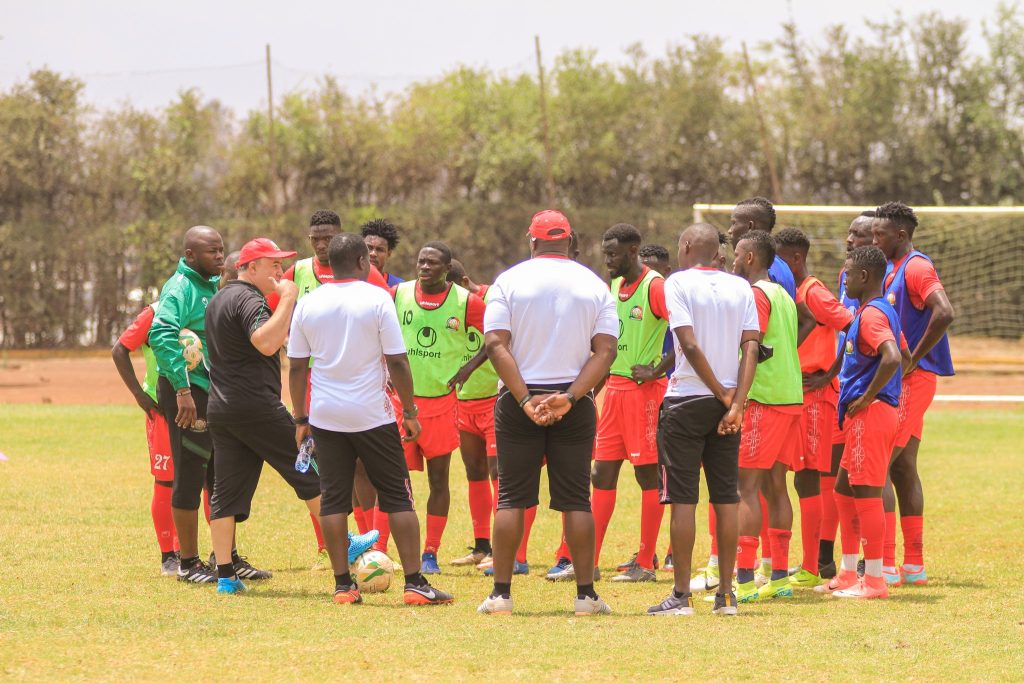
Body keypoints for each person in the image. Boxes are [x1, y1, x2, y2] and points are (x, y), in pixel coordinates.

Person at [288, 233, 454, 606]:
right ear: (363, 262)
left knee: (333, 499)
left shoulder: (309, 302)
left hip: (325, 415)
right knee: (398, 496)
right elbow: (397, 360)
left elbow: (297, 367)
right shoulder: (377, 298)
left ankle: (343, 586)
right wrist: (410, 412)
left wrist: (301, 417)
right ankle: (415, 584)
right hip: (372, 415)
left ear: (329, 262)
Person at [477, 209, 617, 617]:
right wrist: (570, 398)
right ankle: (586, 596)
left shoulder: (509, 281)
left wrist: (524, 400)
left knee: (510, 498)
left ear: (532, 241)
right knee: (577, 500)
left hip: (518, 400)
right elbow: (605, 352)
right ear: (570, 241)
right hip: (574, 402)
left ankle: (501, 596)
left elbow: (495, 345)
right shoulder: (594, 285)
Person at [645, 223, 759, 616]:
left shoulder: (676, 284)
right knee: (726, 498)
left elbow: (688, 344)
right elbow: (751, 348)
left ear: (689, 245)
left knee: (683, 501)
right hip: (727, 407)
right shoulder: (740, 286)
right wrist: (736, 403)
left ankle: (680, 598)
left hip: (687, 400)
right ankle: (726, 596)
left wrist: (720, 392)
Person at [203, 239, 328, 593]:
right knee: (310, 470)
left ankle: (225, 576)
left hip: (222, 409)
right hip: (256, 407)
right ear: (251, 266)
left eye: (281, 265)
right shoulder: (249, 298)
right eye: (273, 264)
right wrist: (287, 298)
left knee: (223, 494)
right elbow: (265, 343)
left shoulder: (219, 300)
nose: (279, 272)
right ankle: (344, 548)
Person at [274, 210, 388, 565]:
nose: (322, 244)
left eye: (328, 237)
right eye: (315, 239)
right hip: (310, 381)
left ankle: (369, 542)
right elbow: (273, 313)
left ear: (340, 237)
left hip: (360, 379)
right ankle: (330, 545)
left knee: (362, 467)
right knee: (316, 464)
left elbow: (387, 322)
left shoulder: (365, 272)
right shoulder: (297, 273)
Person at [816, 246, 906, 599]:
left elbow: (894, 356)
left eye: (849, 274)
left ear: (865, 277)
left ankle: (875, 582)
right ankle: (849, 572)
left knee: (867, 495)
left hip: (869, 415)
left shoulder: (871, 317)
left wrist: (870, 397)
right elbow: (905, 354)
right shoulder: (877, 312)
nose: (845, 279)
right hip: (868, 415)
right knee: (843, 491)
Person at [872, 201, 955, 586]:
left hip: (913, 379)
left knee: (882, 464)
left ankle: (885, 564)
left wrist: (913, 358)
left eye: (880, 234)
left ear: (901, 235)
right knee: (903, 467)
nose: (874, 240)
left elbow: (944, 311)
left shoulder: (917, 266)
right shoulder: (889, 269)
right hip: (901, 380)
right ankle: (914, 565)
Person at [392, 242, 486, 574]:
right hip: (400, 403)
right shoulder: (398, 294)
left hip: (442, 404)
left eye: (432, 263)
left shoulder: (466, 303)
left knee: (438, 479)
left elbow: (498, 338)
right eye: (421, 261)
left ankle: (430, 552)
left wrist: (467, 369)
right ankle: (376, 550)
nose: (425, 267)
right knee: (388, 477)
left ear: (448, 269)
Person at [774, 227, 853, 589]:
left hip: (815, 395)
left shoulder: (814, 292)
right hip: (793, 392)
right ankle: (802, 562)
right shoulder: (789, 293)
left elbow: (854, 326)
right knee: (789, 475)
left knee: (809, 476)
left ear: (795, 259)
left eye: (779, 260)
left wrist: (831, 373)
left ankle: (812, 564)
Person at [589, 224, 669, 583]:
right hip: (615, 393)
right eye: (605, 253)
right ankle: (587, 559)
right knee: (601, 473)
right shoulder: (615, 286)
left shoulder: (655, 286)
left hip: (644, 395)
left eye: (613, 254)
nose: (607, 260)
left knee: (646, 475)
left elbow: (685, 330)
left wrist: (656, 369)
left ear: (633, 251)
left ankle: (646, 562)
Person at [149, 226, 225, 584]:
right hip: (187, 392)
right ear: (191, 255)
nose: (220, 257)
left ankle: (226, 557)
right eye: (212, 251)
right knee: (191, 471)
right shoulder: (179, 287)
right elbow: (162, 333)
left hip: (209, 391)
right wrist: (182, 390)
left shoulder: (209, 285)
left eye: (222, 250)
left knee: (217, 474)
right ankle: (188, 563)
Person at [731, 230, 804, 603]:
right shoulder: (784, 296)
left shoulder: (757, 294)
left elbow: (752, 347)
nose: (731, 261)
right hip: (791, 397)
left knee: (747, 486)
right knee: (777, 486)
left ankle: (743, 580)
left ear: (749, 258)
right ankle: (779, 577)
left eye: (736, 253)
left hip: (765, 400)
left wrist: (738, 400)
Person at [444, 261, 517, 572]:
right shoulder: (445, 307)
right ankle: (481, 545)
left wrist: (469, 368)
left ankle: (501, 550)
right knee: (473, 470)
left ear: (464, 280)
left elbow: (495, 342)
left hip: (491, 399)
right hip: (464, 401)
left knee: (497, 472)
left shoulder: (489, 300)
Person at [818, 213, 877, 578]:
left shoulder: (878, 292)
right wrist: (832, 371)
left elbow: (893, 350)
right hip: (843, 388)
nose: (849, 238)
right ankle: (839, 564)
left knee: (865, 481)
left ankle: (875, 568)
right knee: (838, 478)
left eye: (859, 234)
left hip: (865, 396)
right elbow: (847, 333)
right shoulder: (847, 277)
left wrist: (873, 391)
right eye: (849, 232)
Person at [113, 303, 185, 576]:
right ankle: (169, 554)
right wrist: (140, 397)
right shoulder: (154, 313)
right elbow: (119, 349)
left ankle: (215, 553)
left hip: (201, 404)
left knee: (205, 481)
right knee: (166, 481)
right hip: (163, 410)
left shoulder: (203, 304)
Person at [728, 197, 796, 299]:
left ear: (750, 226)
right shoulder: (783, 267)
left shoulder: (760, 270)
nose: (730, 230)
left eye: (734, 223)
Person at [362, 218, 405, 287]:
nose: (373, 253)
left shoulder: (398, 286)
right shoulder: (348, 281)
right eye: (369, 247)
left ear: (389, 254)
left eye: (380, 249)